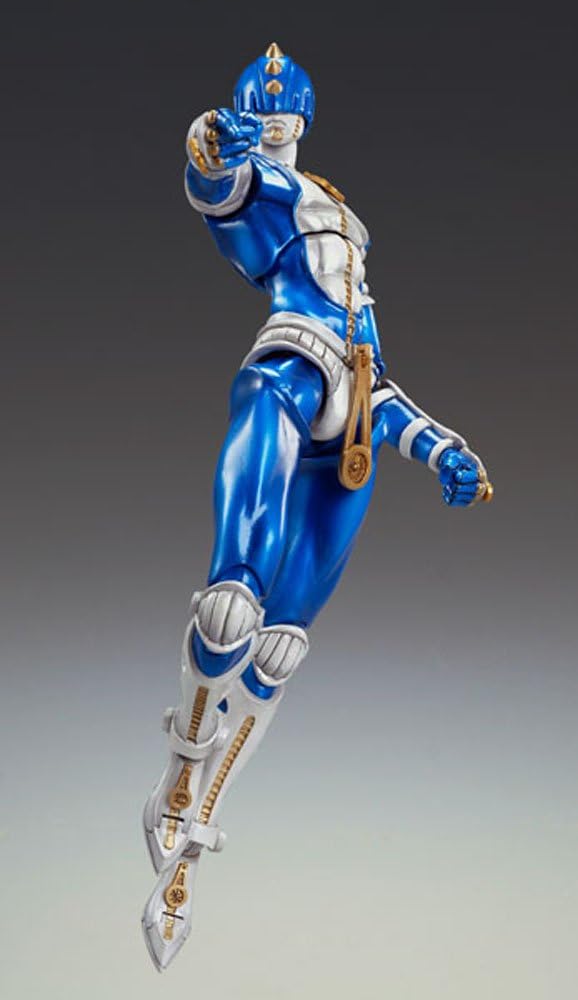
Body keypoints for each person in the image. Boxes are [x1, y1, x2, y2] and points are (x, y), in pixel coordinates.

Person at [141, 43, 492, 970]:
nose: (276, 117)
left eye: (283, 109)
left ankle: (199, 826)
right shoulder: (267, 184)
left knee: (281, 646)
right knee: (230, 606)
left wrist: (443, 447)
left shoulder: (341, 217)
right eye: (263, 110)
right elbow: (217, 190)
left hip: (353, 411)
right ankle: (182, 764)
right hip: (289, 371)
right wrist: (209, 144)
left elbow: (376, 381)